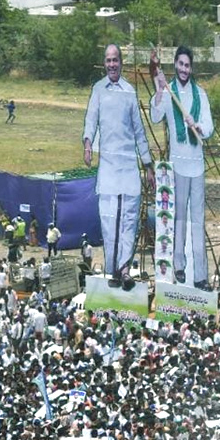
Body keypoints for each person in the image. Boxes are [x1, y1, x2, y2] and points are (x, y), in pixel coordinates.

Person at [82, 43, 154, 291]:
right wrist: (88, 144)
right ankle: (113, 268)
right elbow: (91, 119)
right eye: (108, 60)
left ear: (121, 63)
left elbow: (138, 130)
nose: (112, 64)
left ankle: (124, 269)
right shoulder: (98, 90)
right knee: (109, 219)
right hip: (109, 168)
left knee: (129, 219)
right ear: (104, 63)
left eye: (116, 60)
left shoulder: (129, 92)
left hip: (129, 167)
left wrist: (148, 164)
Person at [150, 46, 214, 291]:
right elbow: (156, 116)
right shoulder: (168, 94)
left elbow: (208, 127)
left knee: (197, 222)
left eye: (188, 65)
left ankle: (200, 276)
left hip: (196, 166)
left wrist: (197, 126)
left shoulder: (201, 94)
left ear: (191, 68)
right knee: (178, 219)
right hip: (177, 166)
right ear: (175, 65)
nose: (184, 69)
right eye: (181, 64)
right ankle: (178, 265)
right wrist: (158, 90)